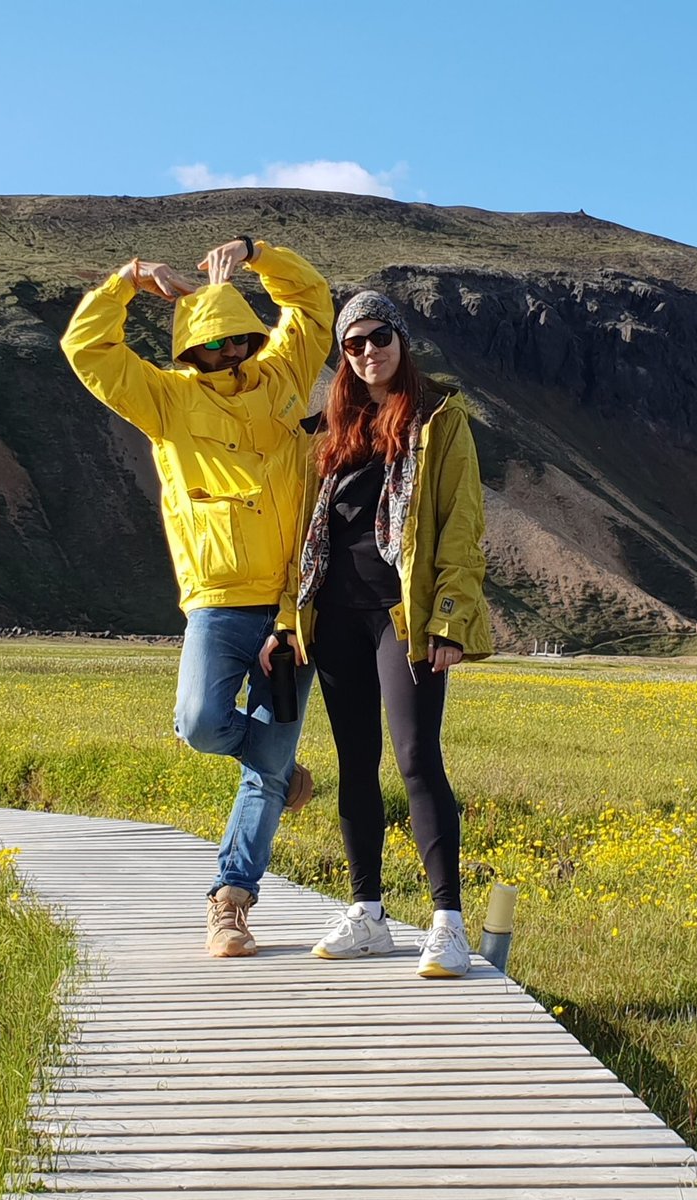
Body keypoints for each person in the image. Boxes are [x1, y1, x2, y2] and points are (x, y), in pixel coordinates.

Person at [61, 237, 332, 959]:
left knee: (262, 766)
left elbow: (311, 304)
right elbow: (87, 351)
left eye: (234, 340)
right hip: (216, 600)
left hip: (291, 606)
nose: (226, 354)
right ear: (188, 349)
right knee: (200, 723)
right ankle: (281, 770)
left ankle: (230, 901)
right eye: (210, 344)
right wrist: (126, 281)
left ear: (247, 335)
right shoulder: (166, 399)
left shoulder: (282, 376)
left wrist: (260, 253)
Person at [261, 291, 492, 978]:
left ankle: (448, 923)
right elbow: (304, 540)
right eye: (354, 342)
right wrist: (286, 621)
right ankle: (368, 914)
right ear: (343, 356)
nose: (368, 351)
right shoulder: (326, 436)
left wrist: (449, 620)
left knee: (418, 757)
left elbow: (460, 526)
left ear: (401, 339)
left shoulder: (439, 421)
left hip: (404, 617)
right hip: (335, 618)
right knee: (354, 763)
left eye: (379, 335)